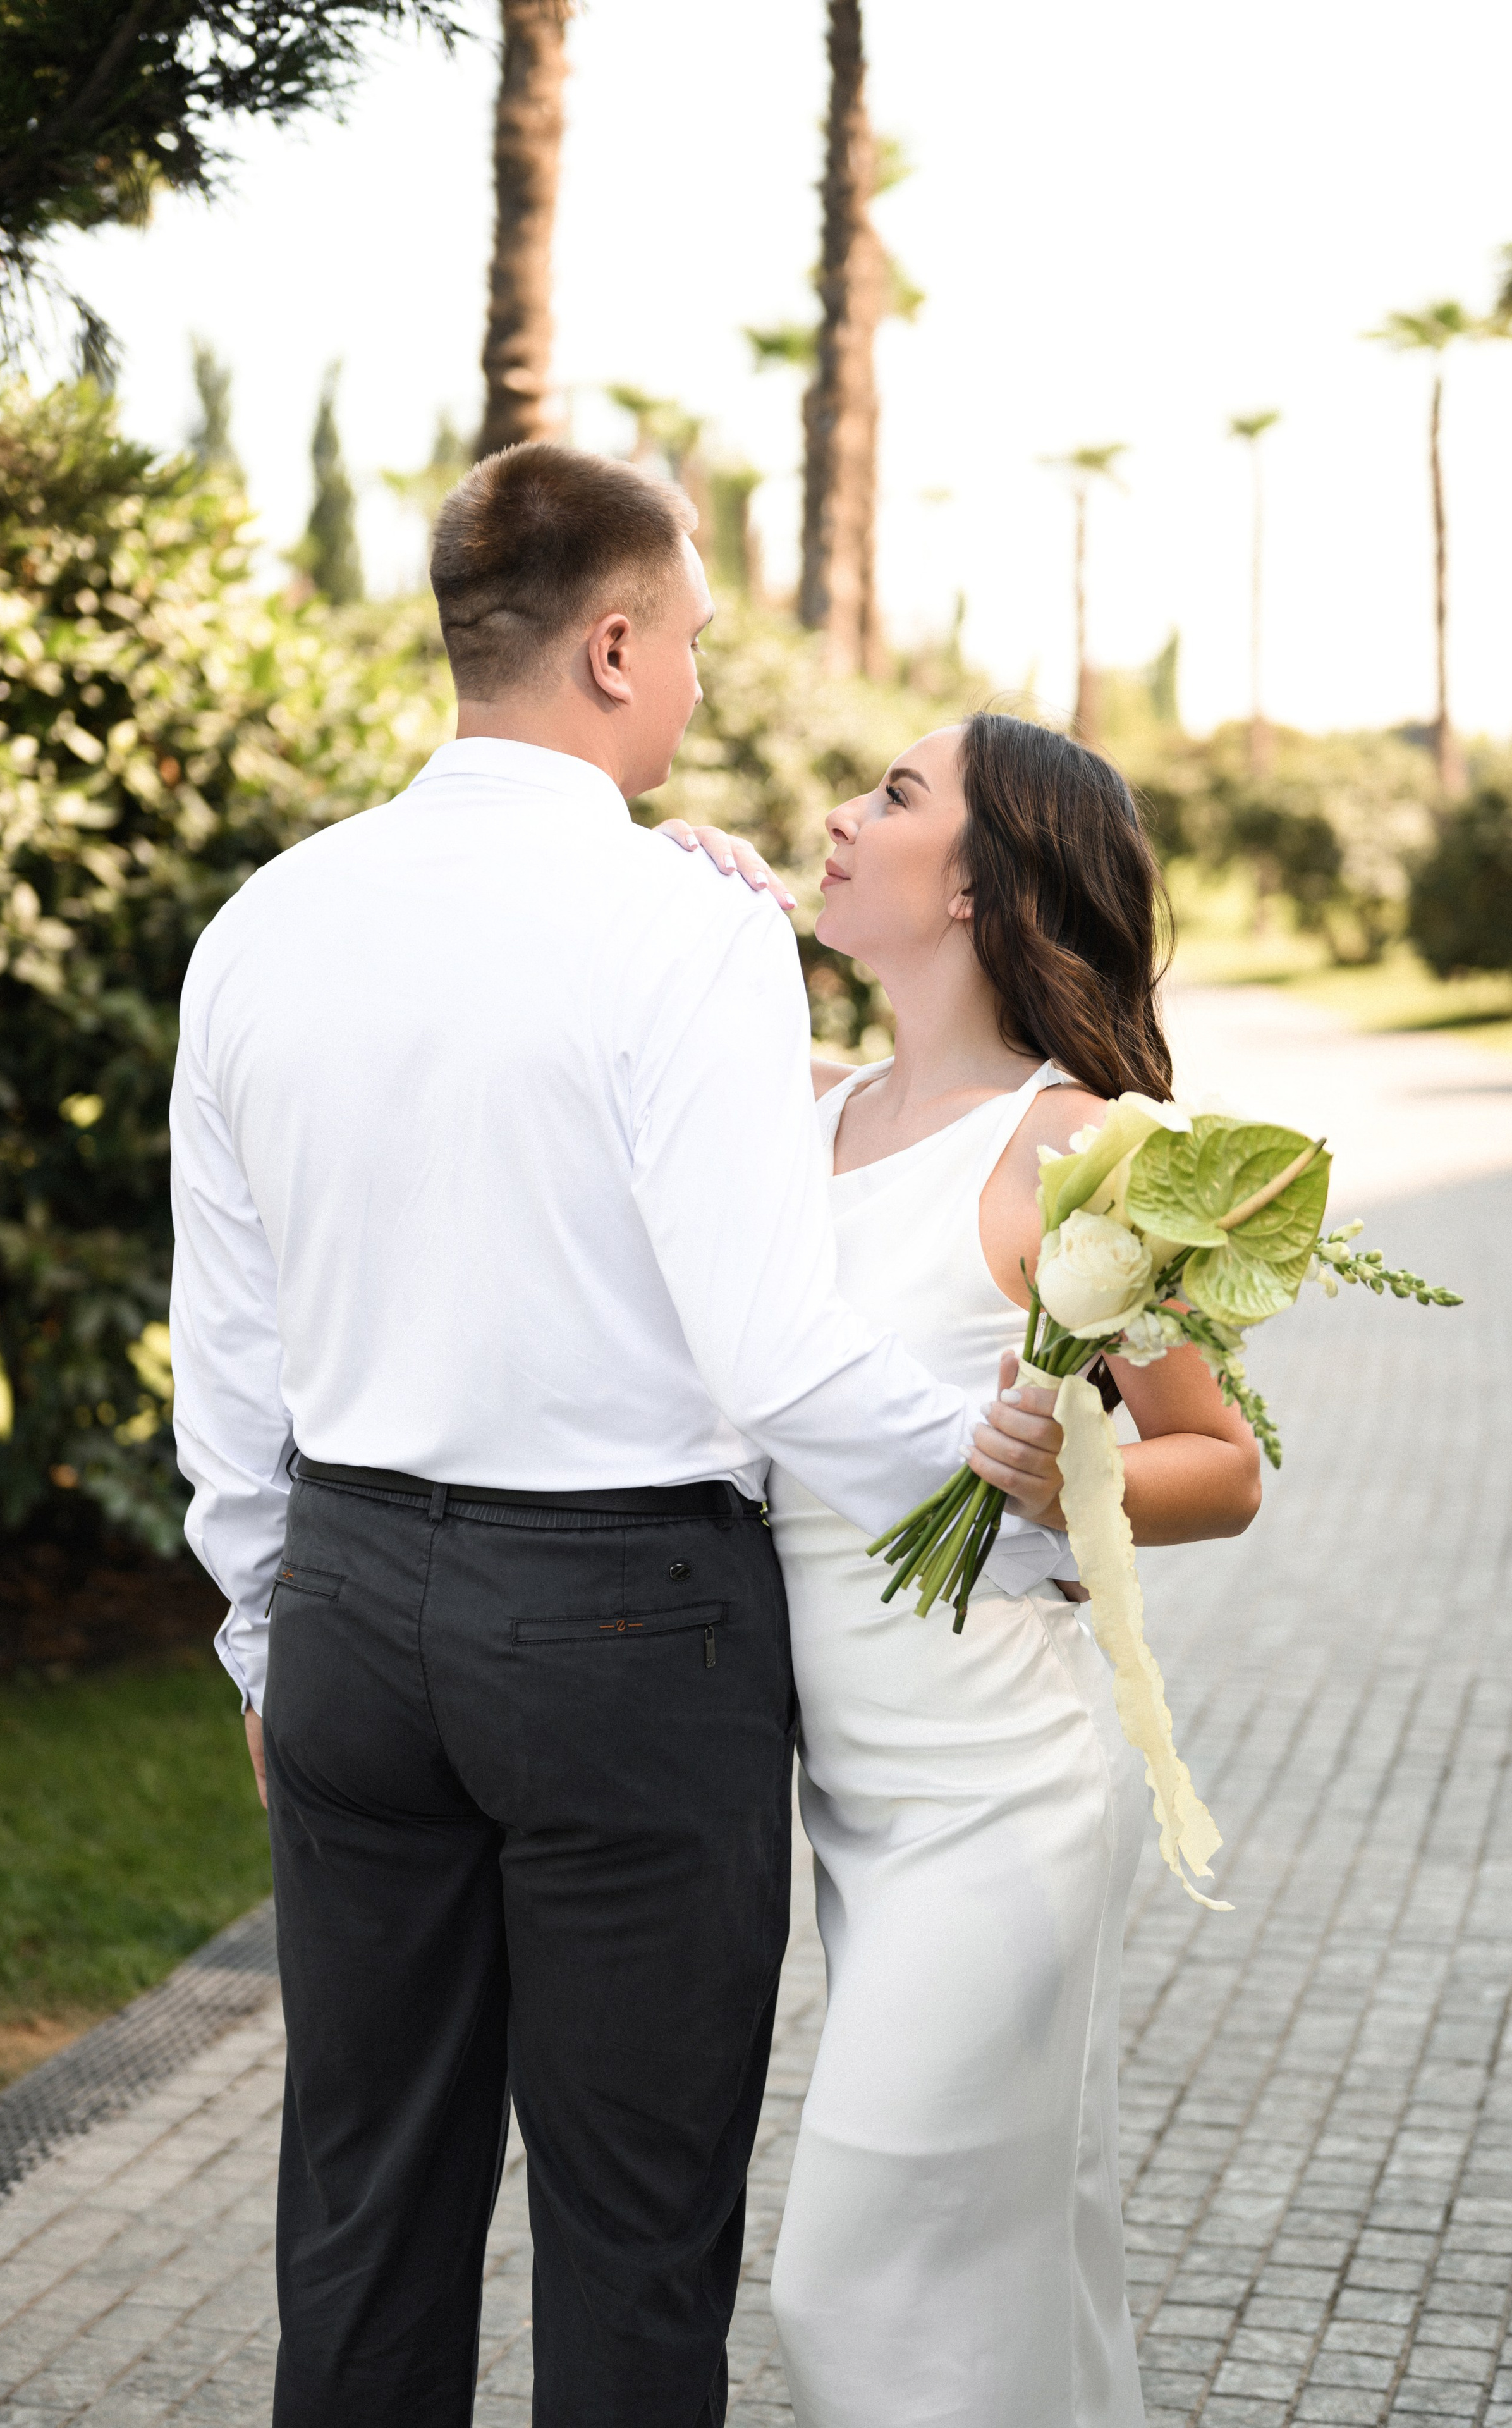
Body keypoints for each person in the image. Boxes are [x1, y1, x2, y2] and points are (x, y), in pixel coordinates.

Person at [168, 445, 1017, 2428]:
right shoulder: (683, 928)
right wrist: (1015, 1503)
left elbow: (231, 1348)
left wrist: (259, 1631)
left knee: (363, 2208)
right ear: (614, 643)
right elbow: (780, 1351)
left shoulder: (261, 925)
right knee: (634, 2243)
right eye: (699, 646)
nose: (708, 689)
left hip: (352, 1607)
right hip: (633, 1632)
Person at [743, 714, 1260, 2427]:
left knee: (853, 2283)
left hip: (1005, 1804)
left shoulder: (1081, 1145)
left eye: (890, 794)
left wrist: (1073, 1472)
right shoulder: (811, 1127)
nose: (836, 814)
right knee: (1013, 2270)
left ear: (980, 881)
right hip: (855, 1807)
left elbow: (1227, 1464)